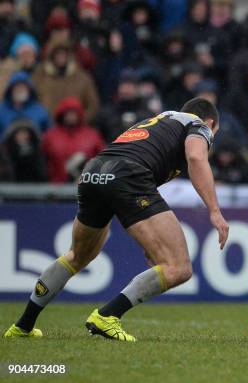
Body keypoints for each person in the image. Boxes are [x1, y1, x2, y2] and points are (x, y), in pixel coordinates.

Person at [4, 98, 229, 341]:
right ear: (211, 123)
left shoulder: (160, 121)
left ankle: (23, 325)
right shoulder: (198, 124)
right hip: (126, 174)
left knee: (77, 256)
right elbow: (196, 158)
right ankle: (107, 315)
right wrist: (215, 211)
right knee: (179, 268)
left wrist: (151, 241)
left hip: (93, 172)